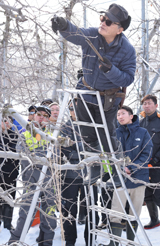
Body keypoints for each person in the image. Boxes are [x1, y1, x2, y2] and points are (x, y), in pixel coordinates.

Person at [51, 3, 136, 154]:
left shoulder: (127, 49)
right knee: (87, 135)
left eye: (108, 22)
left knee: (107, 137)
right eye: (103, 18)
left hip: (107, 100)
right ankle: (93, 168)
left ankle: (115, 170)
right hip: (85, 94)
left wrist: (111, 71)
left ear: (119, 30)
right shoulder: (92, 35)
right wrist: (64, 25)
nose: (102, 23)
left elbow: (128, 79)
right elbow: (76, 33)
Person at [8, 105, 57, 246]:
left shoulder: (53, 135)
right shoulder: (25, 134)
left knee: (49, 215)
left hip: (50, 182)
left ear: (48, 119)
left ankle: (47, 243)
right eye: (39, 114)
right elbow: (21, 154)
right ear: (33, 116)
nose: (41, 117)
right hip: (31, 181)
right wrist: (41, 158)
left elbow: (57, 155)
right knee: (25, 214)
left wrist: (39, 156)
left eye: (45, 115)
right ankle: (15, 241)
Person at [104, 106, 152, 246]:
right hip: (120, 178)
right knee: (116, 212)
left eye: (123, 114)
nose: (120, 116)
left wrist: (131, 168)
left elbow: (147, 153)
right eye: (118, 114)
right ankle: (114, 243)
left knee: (134, 213)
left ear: (131, 116)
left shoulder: (143, 132)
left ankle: (130, 242)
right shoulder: (114, 133)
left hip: (138, 179)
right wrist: (120, 168)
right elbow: (109, 154)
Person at [60, 98, 84, 246]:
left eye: (76, 108)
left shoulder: (92, 126)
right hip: (70, 174)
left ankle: (90, 239)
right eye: (71, 108)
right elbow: (66, 151)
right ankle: (70, 240)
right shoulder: (64, 128)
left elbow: (95, 147)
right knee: (69, 209)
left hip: (90, 174)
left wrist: (76, 146)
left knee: (89, 209)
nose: (73, 111)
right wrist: (82, 151)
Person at [140, 94, 160, 229]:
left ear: (156, 105)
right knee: (147, 193)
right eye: (144, 104)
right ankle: (154, 220)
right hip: (143, 165)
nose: (146, 106)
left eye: (149, 103)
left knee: (158, 193)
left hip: (157, 165)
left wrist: (155, 161)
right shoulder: (140, 123)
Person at [0, 116, 19, 230]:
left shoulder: (15, 136)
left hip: (11, 172)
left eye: (10, 121)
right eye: (5, 121)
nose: (7, 123)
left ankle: (8, 222)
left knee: (10, 197)